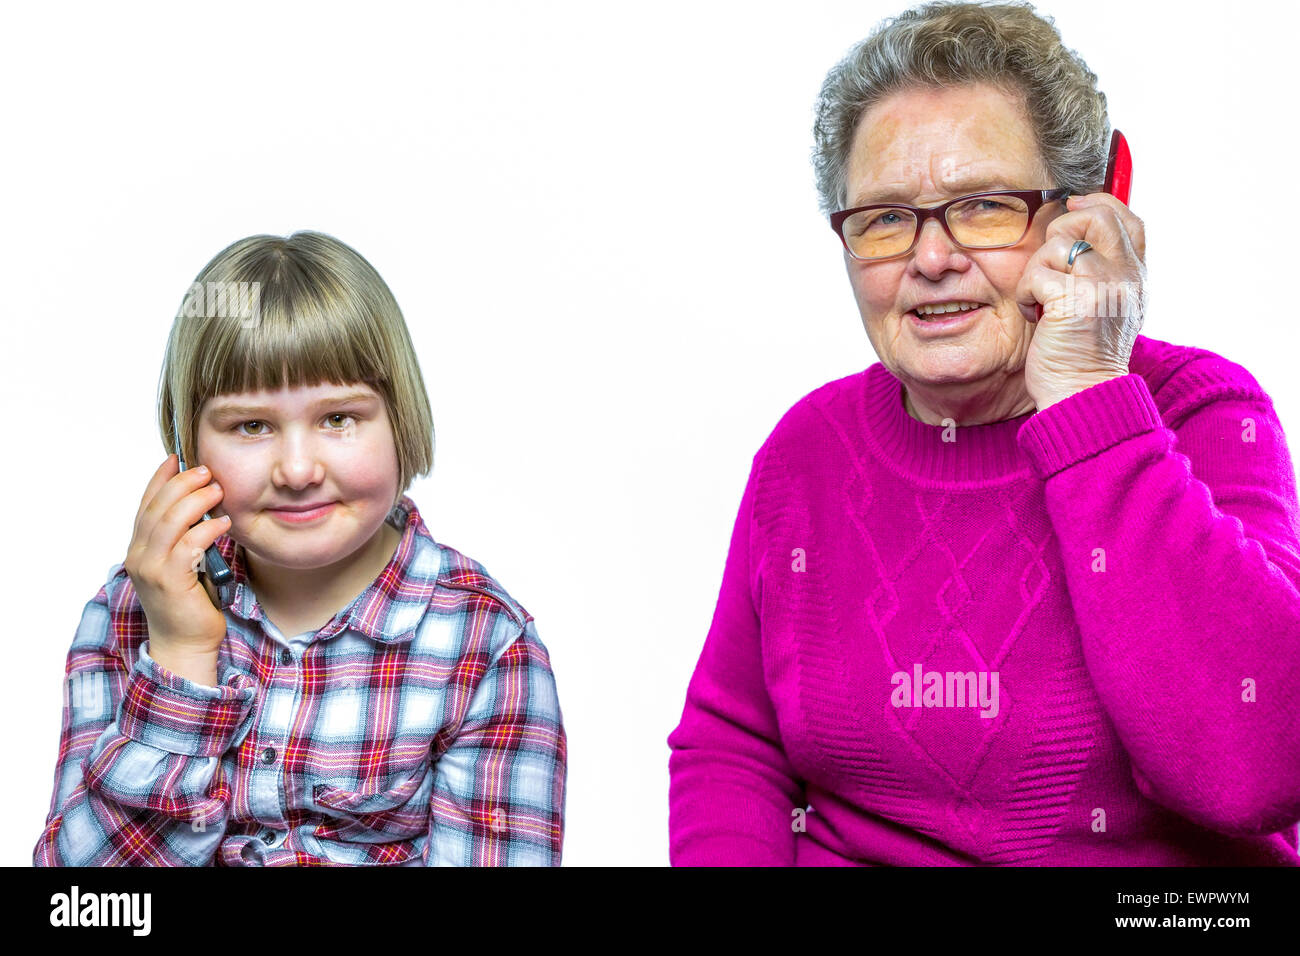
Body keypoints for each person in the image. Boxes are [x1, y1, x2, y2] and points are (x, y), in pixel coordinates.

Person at [667, 0, 1300, 865]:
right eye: (886, 218)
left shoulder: (1200, 413)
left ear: (1088, 217)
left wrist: (1087, 394)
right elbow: (731, 744)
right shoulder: (807, 449)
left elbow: (1252, 769)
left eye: (986, 206)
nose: (931, 259)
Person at [34, 231, 566, 865]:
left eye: (339, 418)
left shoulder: (486, 645)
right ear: (186, 444)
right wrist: (179, 656)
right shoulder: (126, 613)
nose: (297, 469)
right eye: (251, 426)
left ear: (400, 419)